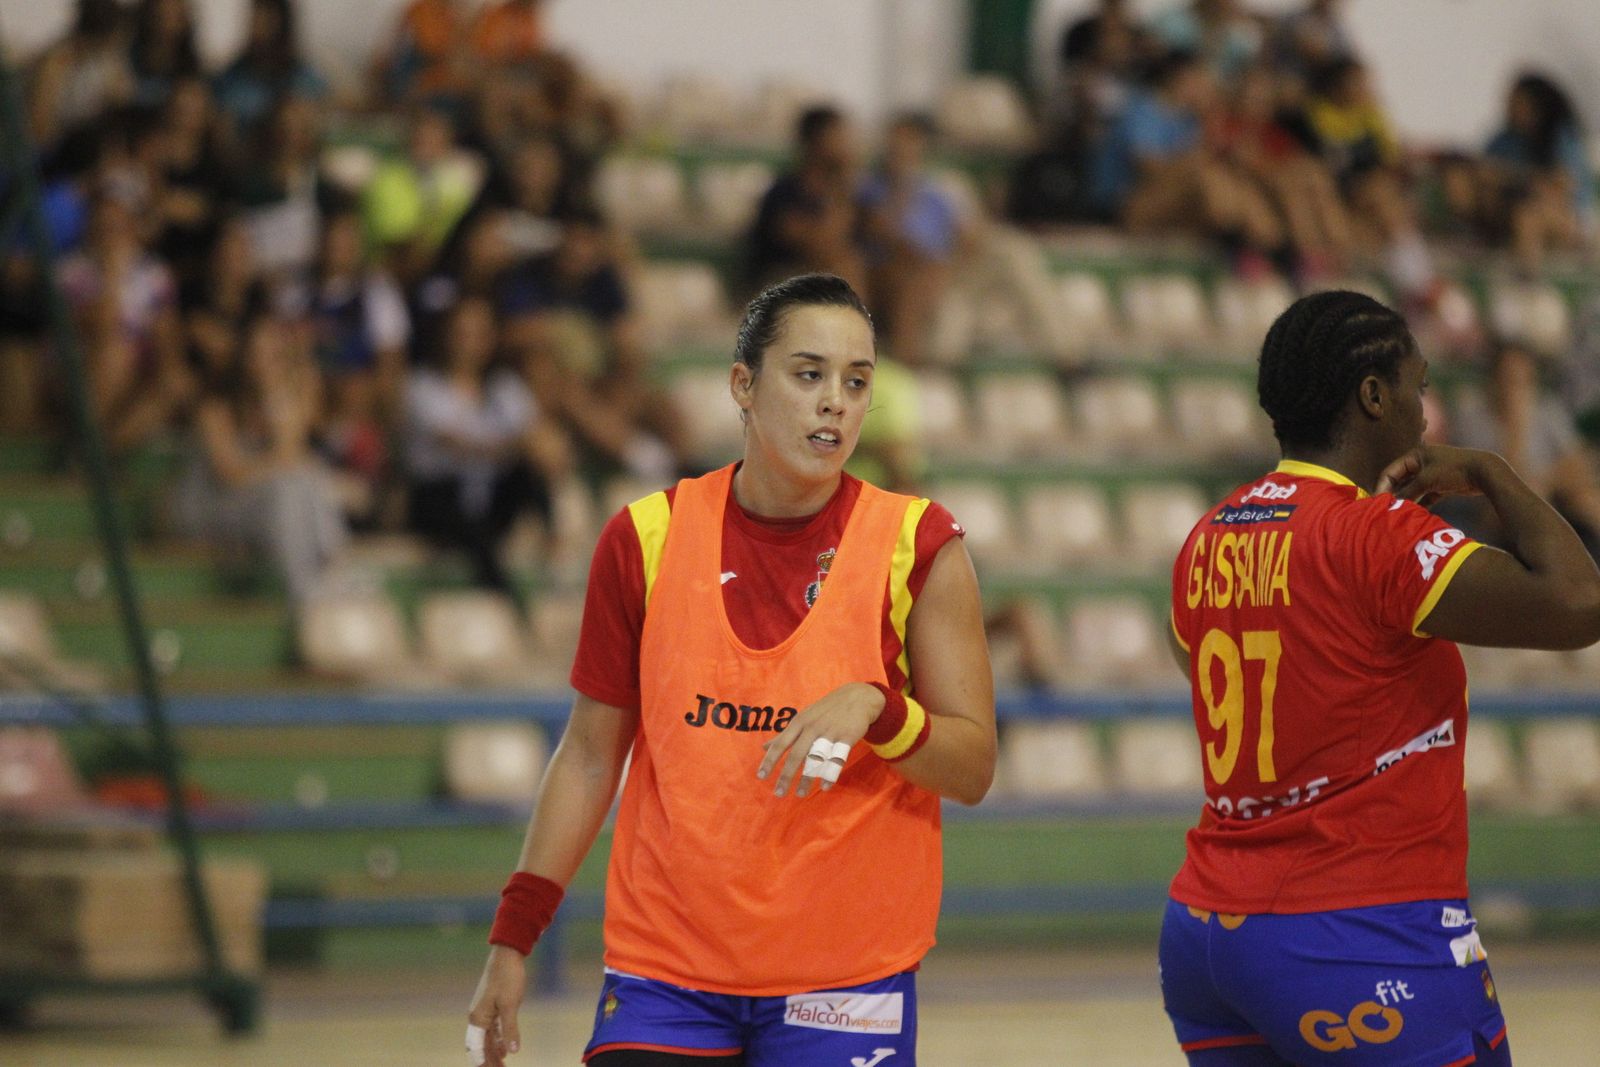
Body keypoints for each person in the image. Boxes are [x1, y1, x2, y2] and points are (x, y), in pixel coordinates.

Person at [465, 273, 996, 1066]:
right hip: (665, 970)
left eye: (857, 382)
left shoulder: (918, 545)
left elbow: (974, 764)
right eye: (809, 373)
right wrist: (512, 938)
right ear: (742, 384)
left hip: (845, 978)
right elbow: (587, 754)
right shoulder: (644, 538)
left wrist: (883, 712)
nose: (835, 402)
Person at [1161, 290, 1600, 1066]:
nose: (1425, 415)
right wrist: (1493, 472)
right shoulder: (1374, 533)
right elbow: (1578, 601)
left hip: (1207, 933)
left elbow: (1197, 658)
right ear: (1374, 396)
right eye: (1419, 389)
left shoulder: (1207, 535)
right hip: (1361, 930)